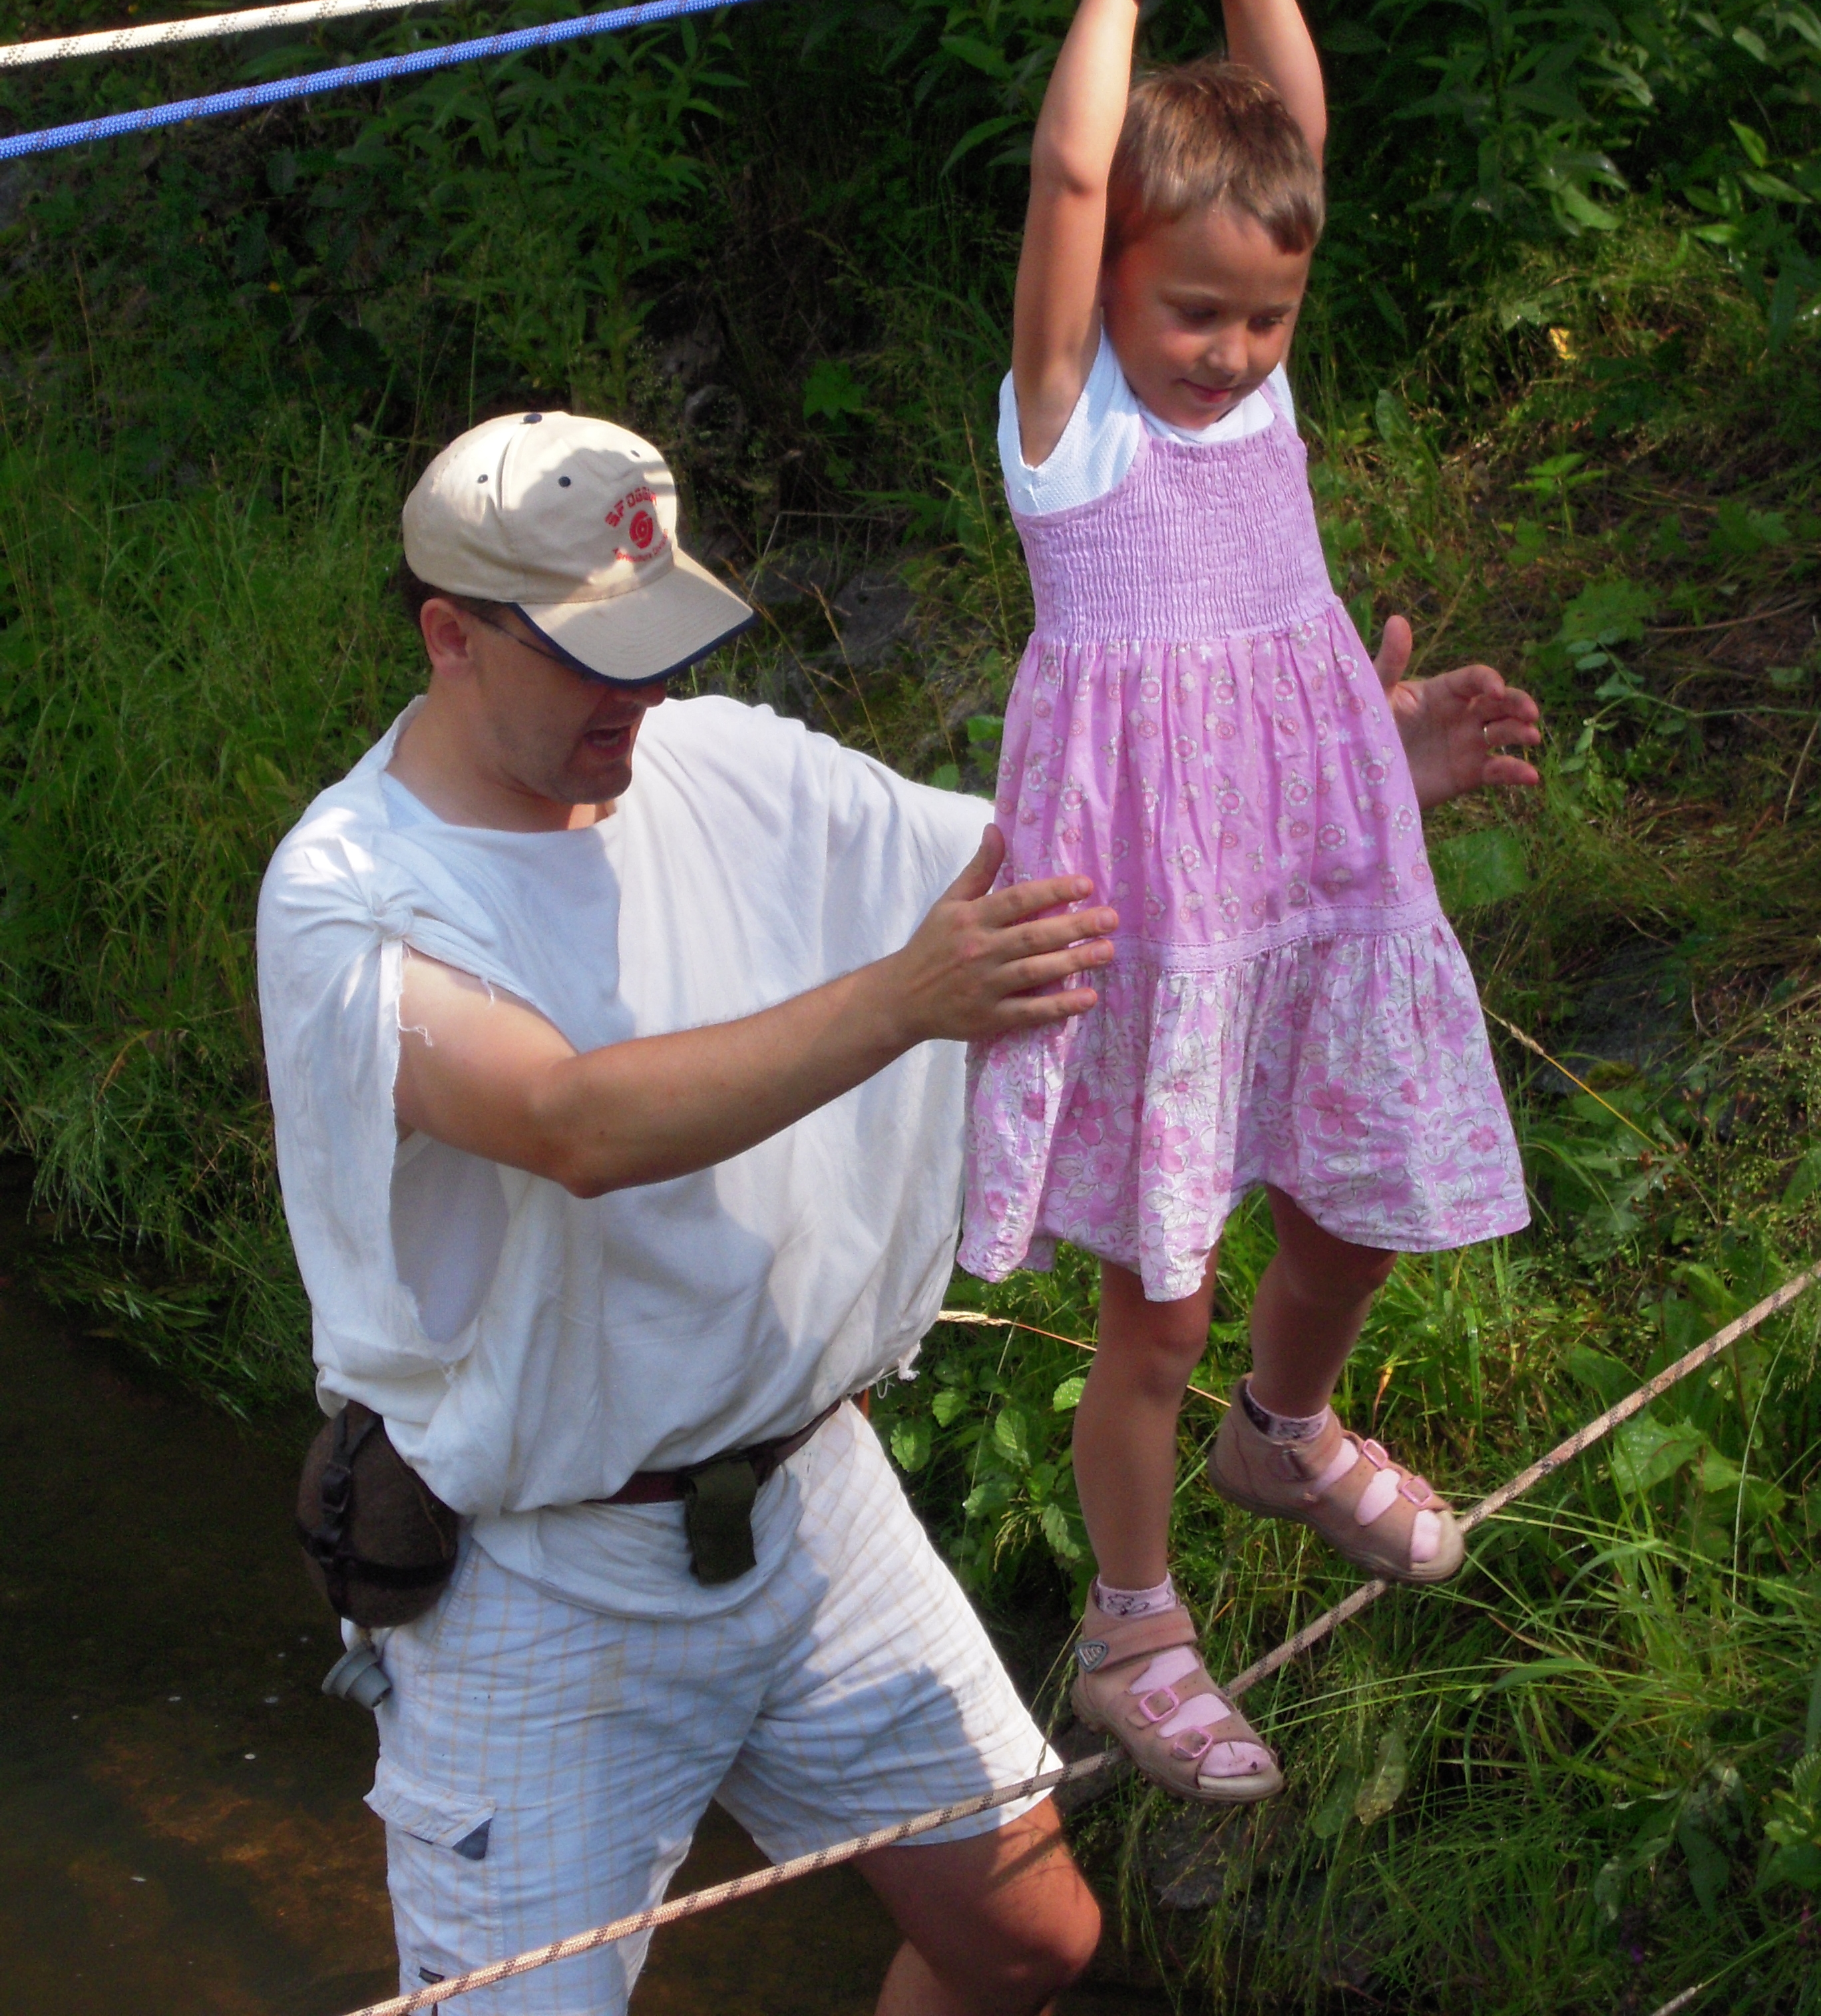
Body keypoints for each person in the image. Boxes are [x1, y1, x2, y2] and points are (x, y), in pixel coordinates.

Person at [258, 404, 1535, 2009]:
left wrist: (1341, 788)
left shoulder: (723, 764)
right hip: (545, 1580)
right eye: (593, 662)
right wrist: (901, 1001)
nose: (639, 697)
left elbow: (1059, 888)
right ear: (452, 635)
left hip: (812, 1506)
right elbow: (566, 1122)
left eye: (659, 650)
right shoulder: (352, 896)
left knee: (1029, 1944)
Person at [959, 0, 1539, 1805]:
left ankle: (1282, 1435)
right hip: (1164, 932)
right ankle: (1134, 1629)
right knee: (1162, 1301)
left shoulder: (1258, 392)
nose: (1228, 355)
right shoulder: (1071, 429)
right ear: (1111, 286)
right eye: (1191, 313)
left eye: (1261, 323)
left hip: (1313, 880)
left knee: (1355, 1201)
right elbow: (1068, 178)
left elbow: (1296, 140)